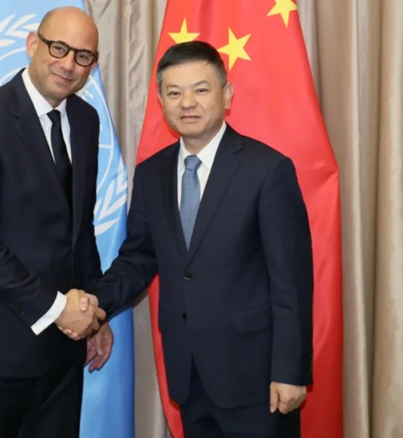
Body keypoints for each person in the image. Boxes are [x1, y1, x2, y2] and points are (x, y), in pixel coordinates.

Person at [92, 41, 314, 437]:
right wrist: (95, 304)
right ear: (161, 100)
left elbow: (291, 282)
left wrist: (290, 370)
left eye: (201, 89)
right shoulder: (152, 174)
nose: (187, 103)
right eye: (174, 92)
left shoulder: (267, 170)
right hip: (189, 376)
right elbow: (138, 258)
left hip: (257, 379)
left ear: (226, 95)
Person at [0, 6, 113, 438]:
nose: (68, 64)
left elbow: (79, 230)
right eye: (59, 48)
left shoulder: (85, 121)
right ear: (33, 44)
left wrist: (92, 317)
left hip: (60, 352)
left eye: (83, 56)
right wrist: (60, 310)